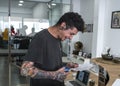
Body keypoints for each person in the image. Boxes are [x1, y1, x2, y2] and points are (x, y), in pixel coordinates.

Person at [20, 12, 85, 86]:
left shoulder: (58, 39)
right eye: (71, 34)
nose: (71, 37)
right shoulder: (40, 38)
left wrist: (68, 65)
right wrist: (54, 75)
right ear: (63, 25)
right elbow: (24, 70)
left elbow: (52, 63)